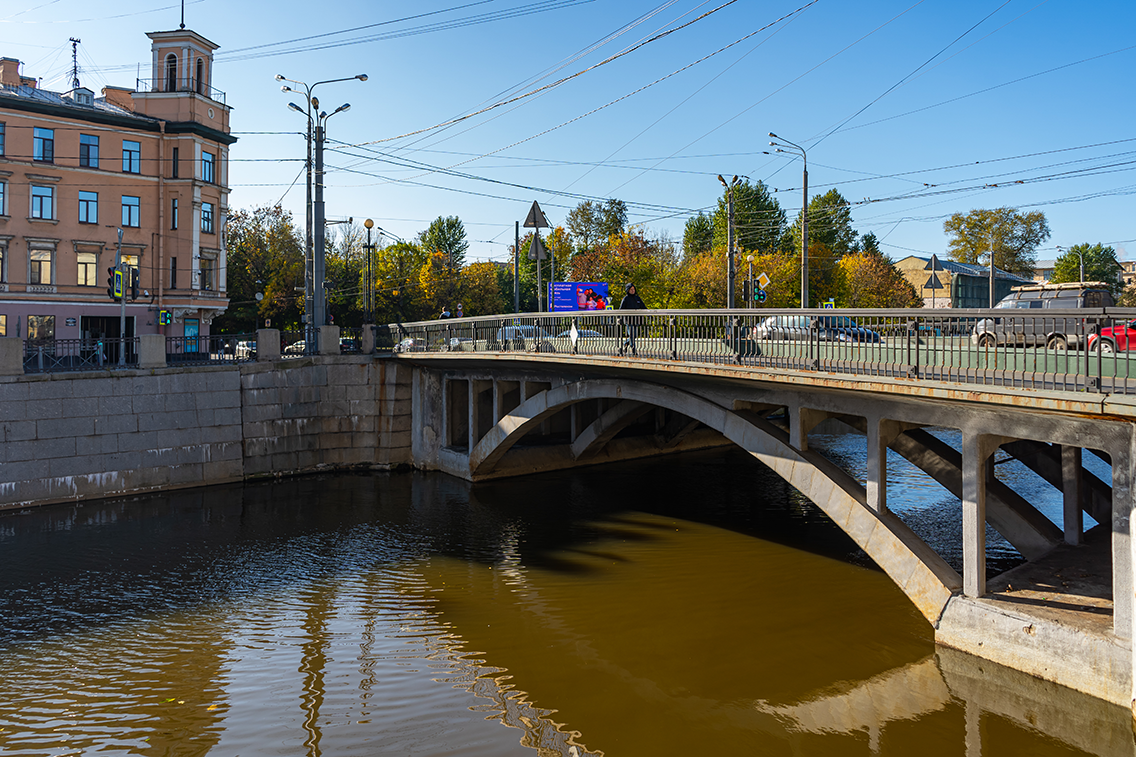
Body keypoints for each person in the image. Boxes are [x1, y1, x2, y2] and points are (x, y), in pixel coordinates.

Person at [618, 283, 646, 356]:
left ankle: (625, 343)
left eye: (633, 289)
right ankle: (634, 350)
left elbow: (643, 307)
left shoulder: (637, 298)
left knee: (634, 335)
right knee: (632, 335)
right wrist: (619, 317)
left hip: (636, 320)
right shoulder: (626, 299)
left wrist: (649, 313)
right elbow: (621, 309)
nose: (633, 291)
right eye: (631, 289)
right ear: (628, 290)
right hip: (628, 320)